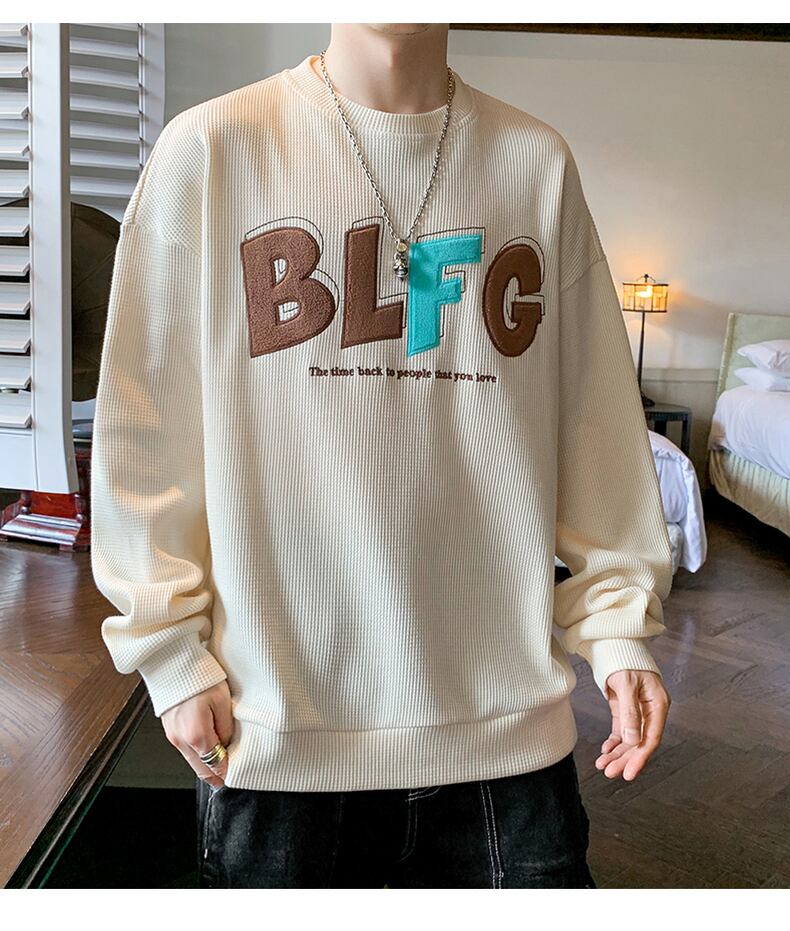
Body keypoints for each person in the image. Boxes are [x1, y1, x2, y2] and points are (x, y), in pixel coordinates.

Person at [91, 23, 674, 889]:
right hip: (277, 734)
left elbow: (597, 425)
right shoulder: (210, 150)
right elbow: (144, 427)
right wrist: (169, 651)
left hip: (507, 742)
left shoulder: (535, 163)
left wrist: (618, 627)